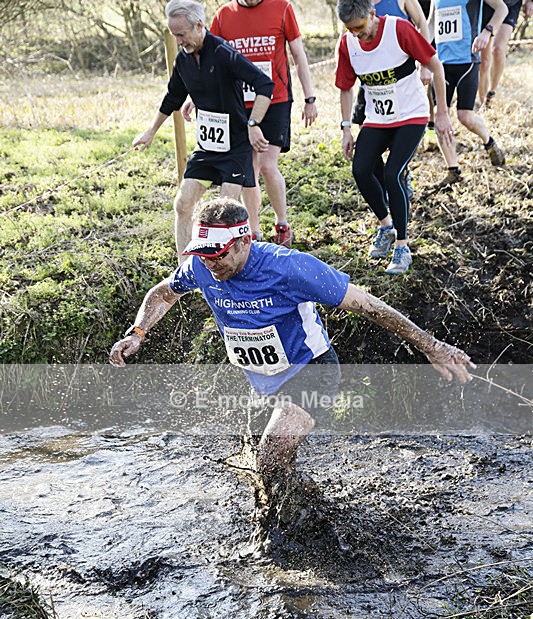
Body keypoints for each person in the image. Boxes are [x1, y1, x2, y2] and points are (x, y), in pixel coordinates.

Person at [109, 198, 474, 480]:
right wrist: (138, 332)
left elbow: (368, 305)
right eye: (202, 256)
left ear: (243, 241)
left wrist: (431, 345)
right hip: (264, 377)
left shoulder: (289, 267)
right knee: (265, 467)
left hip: (310, 369)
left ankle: (280, 532)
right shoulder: (200, 266)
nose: (209, 265)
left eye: (217, 255)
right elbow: (163, 293)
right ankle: (308, 512)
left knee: (270, 453)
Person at [132, 0, 274, 262]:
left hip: (235, 147)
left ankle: (230, 269)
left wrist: (253, 124)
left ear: (199, 25)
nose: (179, 41)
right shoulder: (183, 60)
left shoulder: (222, 52)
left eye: (182, 35)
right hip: (207, 148)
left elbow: (264, 84)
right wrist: (150, 131)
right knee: (182, 204)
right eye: (174, 35)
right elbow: (172, 96)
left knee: (223, 213)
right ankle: (185, 271)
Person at [336, 0, 454, 274]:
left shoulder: (398, 30)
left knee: (393, 175)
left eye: (361, 27)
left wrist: (443, 113)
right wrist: (345, 129)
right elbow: (345, 89)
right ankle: (385, 226)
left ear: (373, 14)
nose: (357, 34)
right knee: (361, 170)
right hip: (378, 118)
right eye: (350, 29)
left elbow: (436, 67)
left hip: (411, 115)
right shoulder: (348, 44)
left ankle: (402, 246)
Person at [210, 0, 318, 246]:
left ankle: (282, 225)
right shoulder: (223, 16)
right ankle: (254, 230)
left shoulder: (282, 8)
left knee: (268, 165)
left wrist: (309, 97)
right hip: (241, 103)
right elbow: (209, 60)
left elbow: (299, 54)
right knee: (250, 170)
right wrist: (195, 98)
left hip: (275, 99)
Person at [431, 0, 507, 182]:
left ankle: (489, 141)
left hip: (467, 60)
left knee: (465, 116)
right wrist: (420, 49)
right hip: (441, 64)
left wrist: (487, 32)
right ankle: (453, 170)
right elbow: (431, 22)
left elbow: (502, 8)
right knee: (440, 114)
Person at [478, 0, 533, 107]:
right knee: (484, 62)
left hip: (511, 4)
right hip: (489, 4)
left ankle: (491, 92)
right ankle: (482, 105)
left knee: (497, 49)